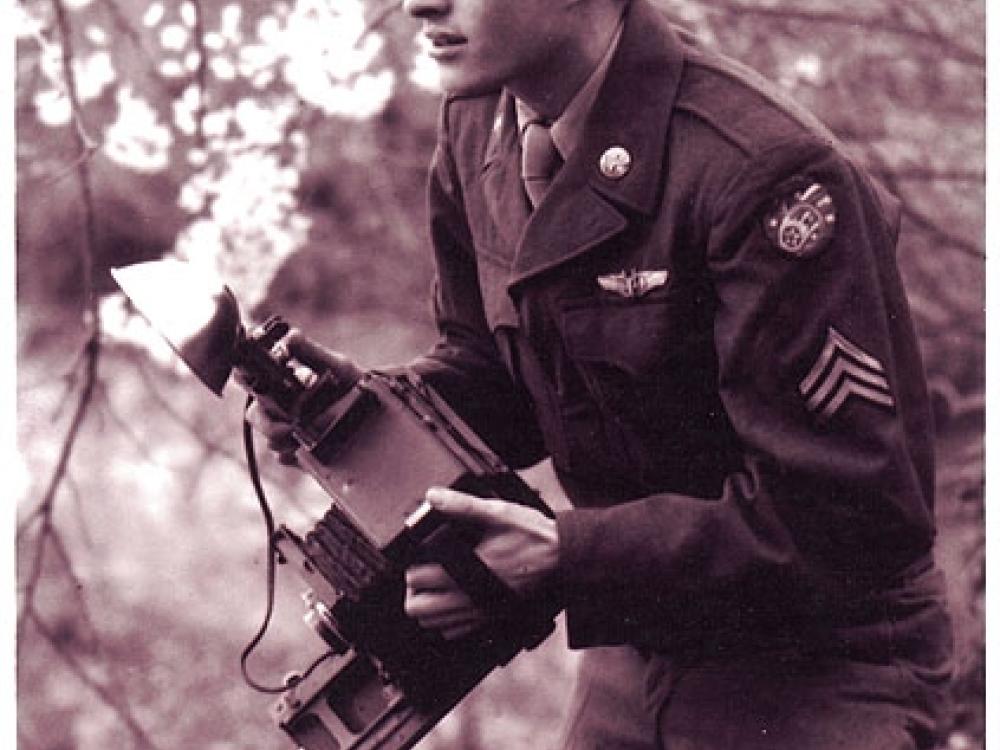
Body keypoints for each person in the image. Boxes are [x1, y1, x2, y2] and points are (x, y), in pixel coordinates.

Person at [252, 0, 954, 746]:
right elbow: (503, 373)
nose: (417, 3)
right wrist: (358, 408)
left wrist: (568, 558)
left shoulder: (759, 172)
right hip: (638, 643)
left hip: (821, 660)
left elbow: (854, 515)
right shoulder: (478, 123)